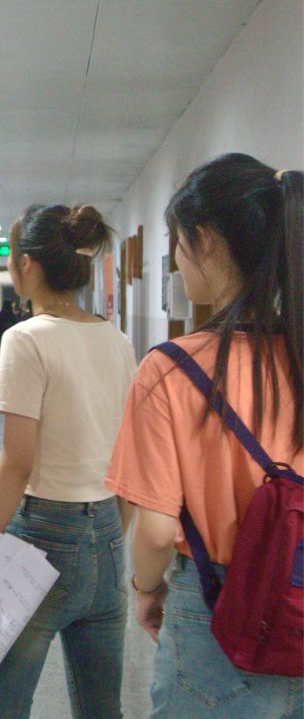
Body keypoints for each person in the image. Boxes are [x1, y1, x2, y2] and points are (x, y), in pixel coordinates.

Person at [107, 153, 304, 716]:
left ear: (206, 241)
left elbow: (154, 531)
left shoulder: (171, 368)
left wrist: (147, 592)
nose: (176, 258)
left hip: (222, 604)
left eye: (179, 241)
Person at [0, 204, 134, 718]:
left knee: (4, 705)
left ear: (27, 265)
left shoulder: (26, 338)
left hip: (42, 537)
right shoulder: (118, 340)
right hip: (107, 531)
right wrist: (112, 534)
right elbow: (127, 452)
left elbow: (18, 463)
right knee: (101, 708)